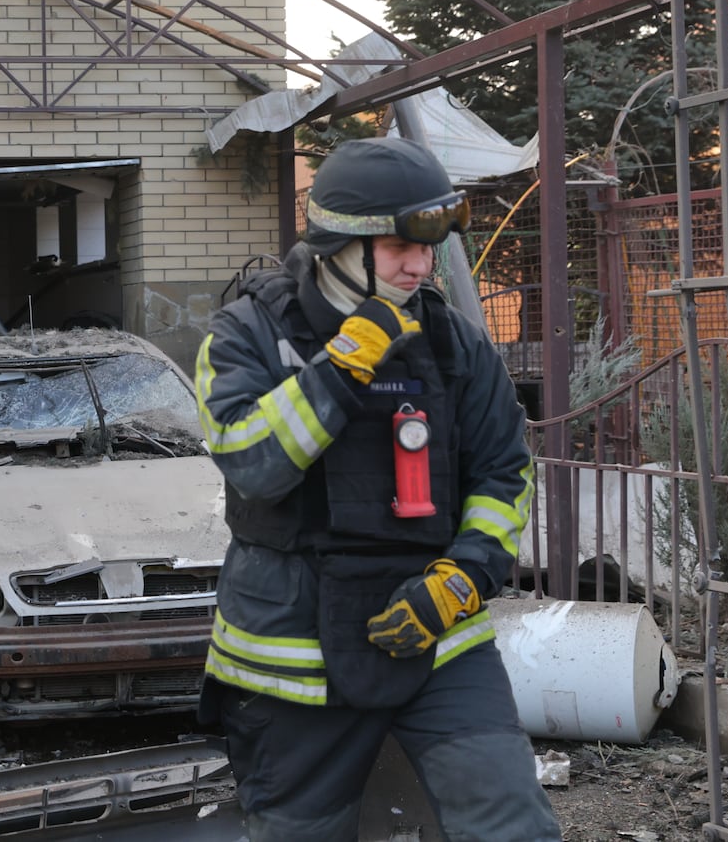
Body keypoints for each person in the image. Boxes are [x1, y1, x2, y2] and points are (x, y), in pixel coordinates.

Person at [193, 136, 562, 842]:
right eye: (399, 247)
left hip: (438, 641)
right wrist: (342, 365)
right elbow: (252, 463)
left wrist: (460, 580)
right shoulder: (248, 334)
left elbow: (504, 474)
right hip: (290, 661)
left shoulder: (456, 344)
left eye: (429, 249)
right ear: (342, 244)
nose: (420, 265)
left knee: (513, 824)